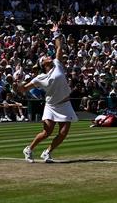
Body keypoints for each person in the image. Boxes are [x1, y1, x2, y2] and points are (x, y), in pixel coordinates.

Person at [15, 26, 75, 163]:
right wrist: (17, 84)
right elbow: (23, 89)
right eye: (45, 58)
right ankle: (28, 149)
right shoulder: (39, 78)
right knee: (46, 132)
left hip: (65, 104)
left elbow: (59, 47)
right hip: (51, 106)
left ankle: (47, 152)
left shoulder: (57, 64)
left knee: (63, 133)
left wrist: (56, 33)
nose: (48, 57)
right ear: (43, 64)